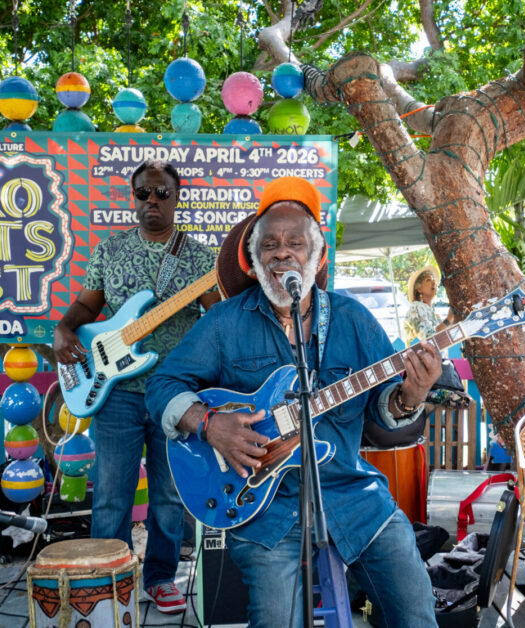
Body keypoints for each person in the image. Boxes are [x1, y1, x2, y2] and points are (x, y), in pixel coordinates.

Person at [146, 176, 440, 627]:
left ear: (316, 256)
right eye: (270, 245)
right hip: (263, 507)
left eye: (296, 243)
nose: (283, 252)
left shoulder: (355, 321)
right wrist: (209, 424)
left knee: (414, 608)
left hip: (351, 492)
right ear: (254, 261)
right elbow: (162, 386)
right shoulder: (225, 323)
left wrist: (410, 396)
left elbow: (386, 412)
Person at [53, 160, 219, 614]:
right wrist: (64, 329)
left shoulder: (202, 260)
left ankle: (161, 578)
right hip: (116, 395)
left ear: (177, 197)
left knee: (168, 493)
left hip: (175, 396)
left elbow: (219, 320)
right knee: (111, 491)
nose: (152, 202)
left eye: (162, 193)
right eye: (144, 193)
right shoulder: (110, 251)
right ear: (134, 197)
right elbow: (87, 307)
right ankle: (112, 576)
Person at [404, 265, 442, 344]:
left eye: (433, 279)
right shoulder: (416, 307)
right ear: (419, 289)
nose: (434, 282)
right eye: (428, 280)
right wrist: (448, 320)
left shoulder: (433, 311)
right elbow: (427, 338)